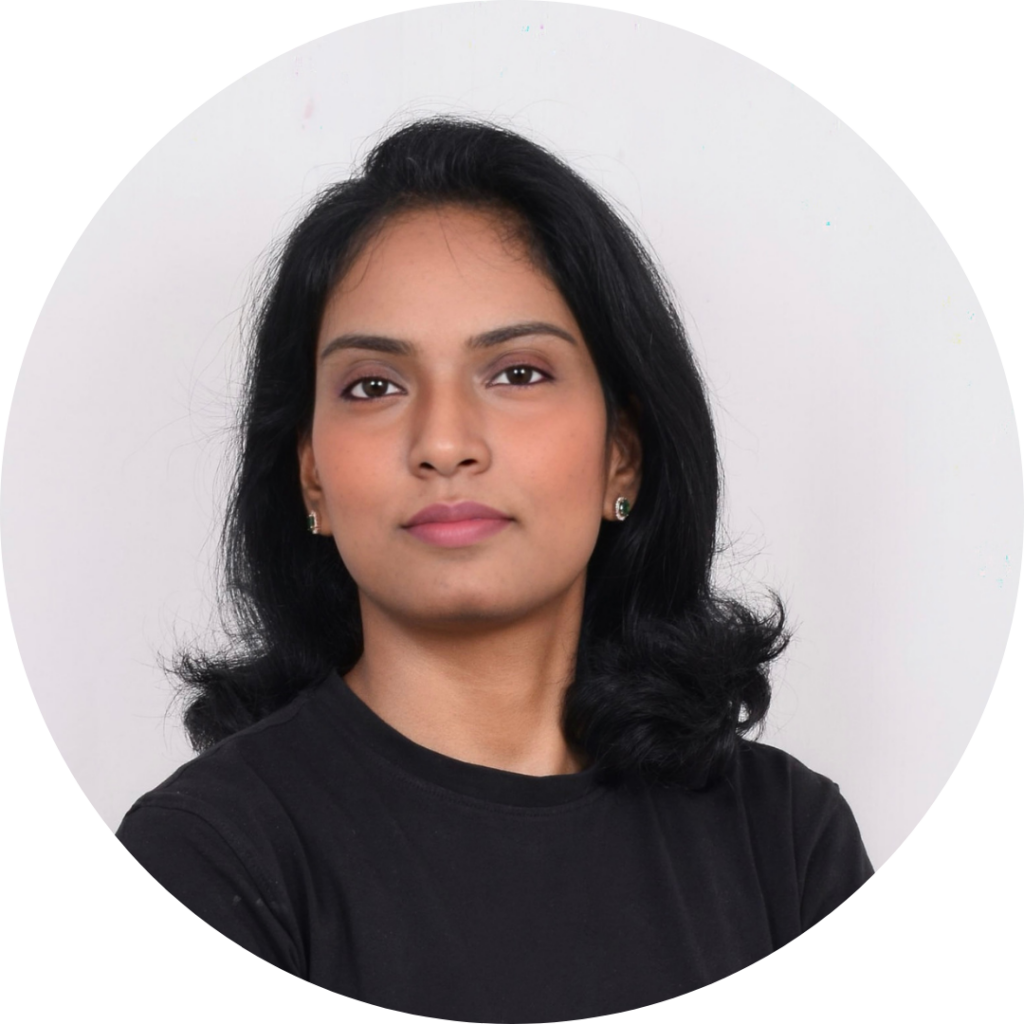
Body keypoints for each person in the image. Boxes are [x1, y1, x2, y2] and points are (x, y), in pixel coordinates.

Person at [116, 116, 874, 1018]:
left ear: (621, 456)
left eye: (517, 373)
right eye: (373, 386)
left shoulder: (783, 838)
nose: (443, 443)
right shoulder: (210, 853)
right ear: (311, 475)